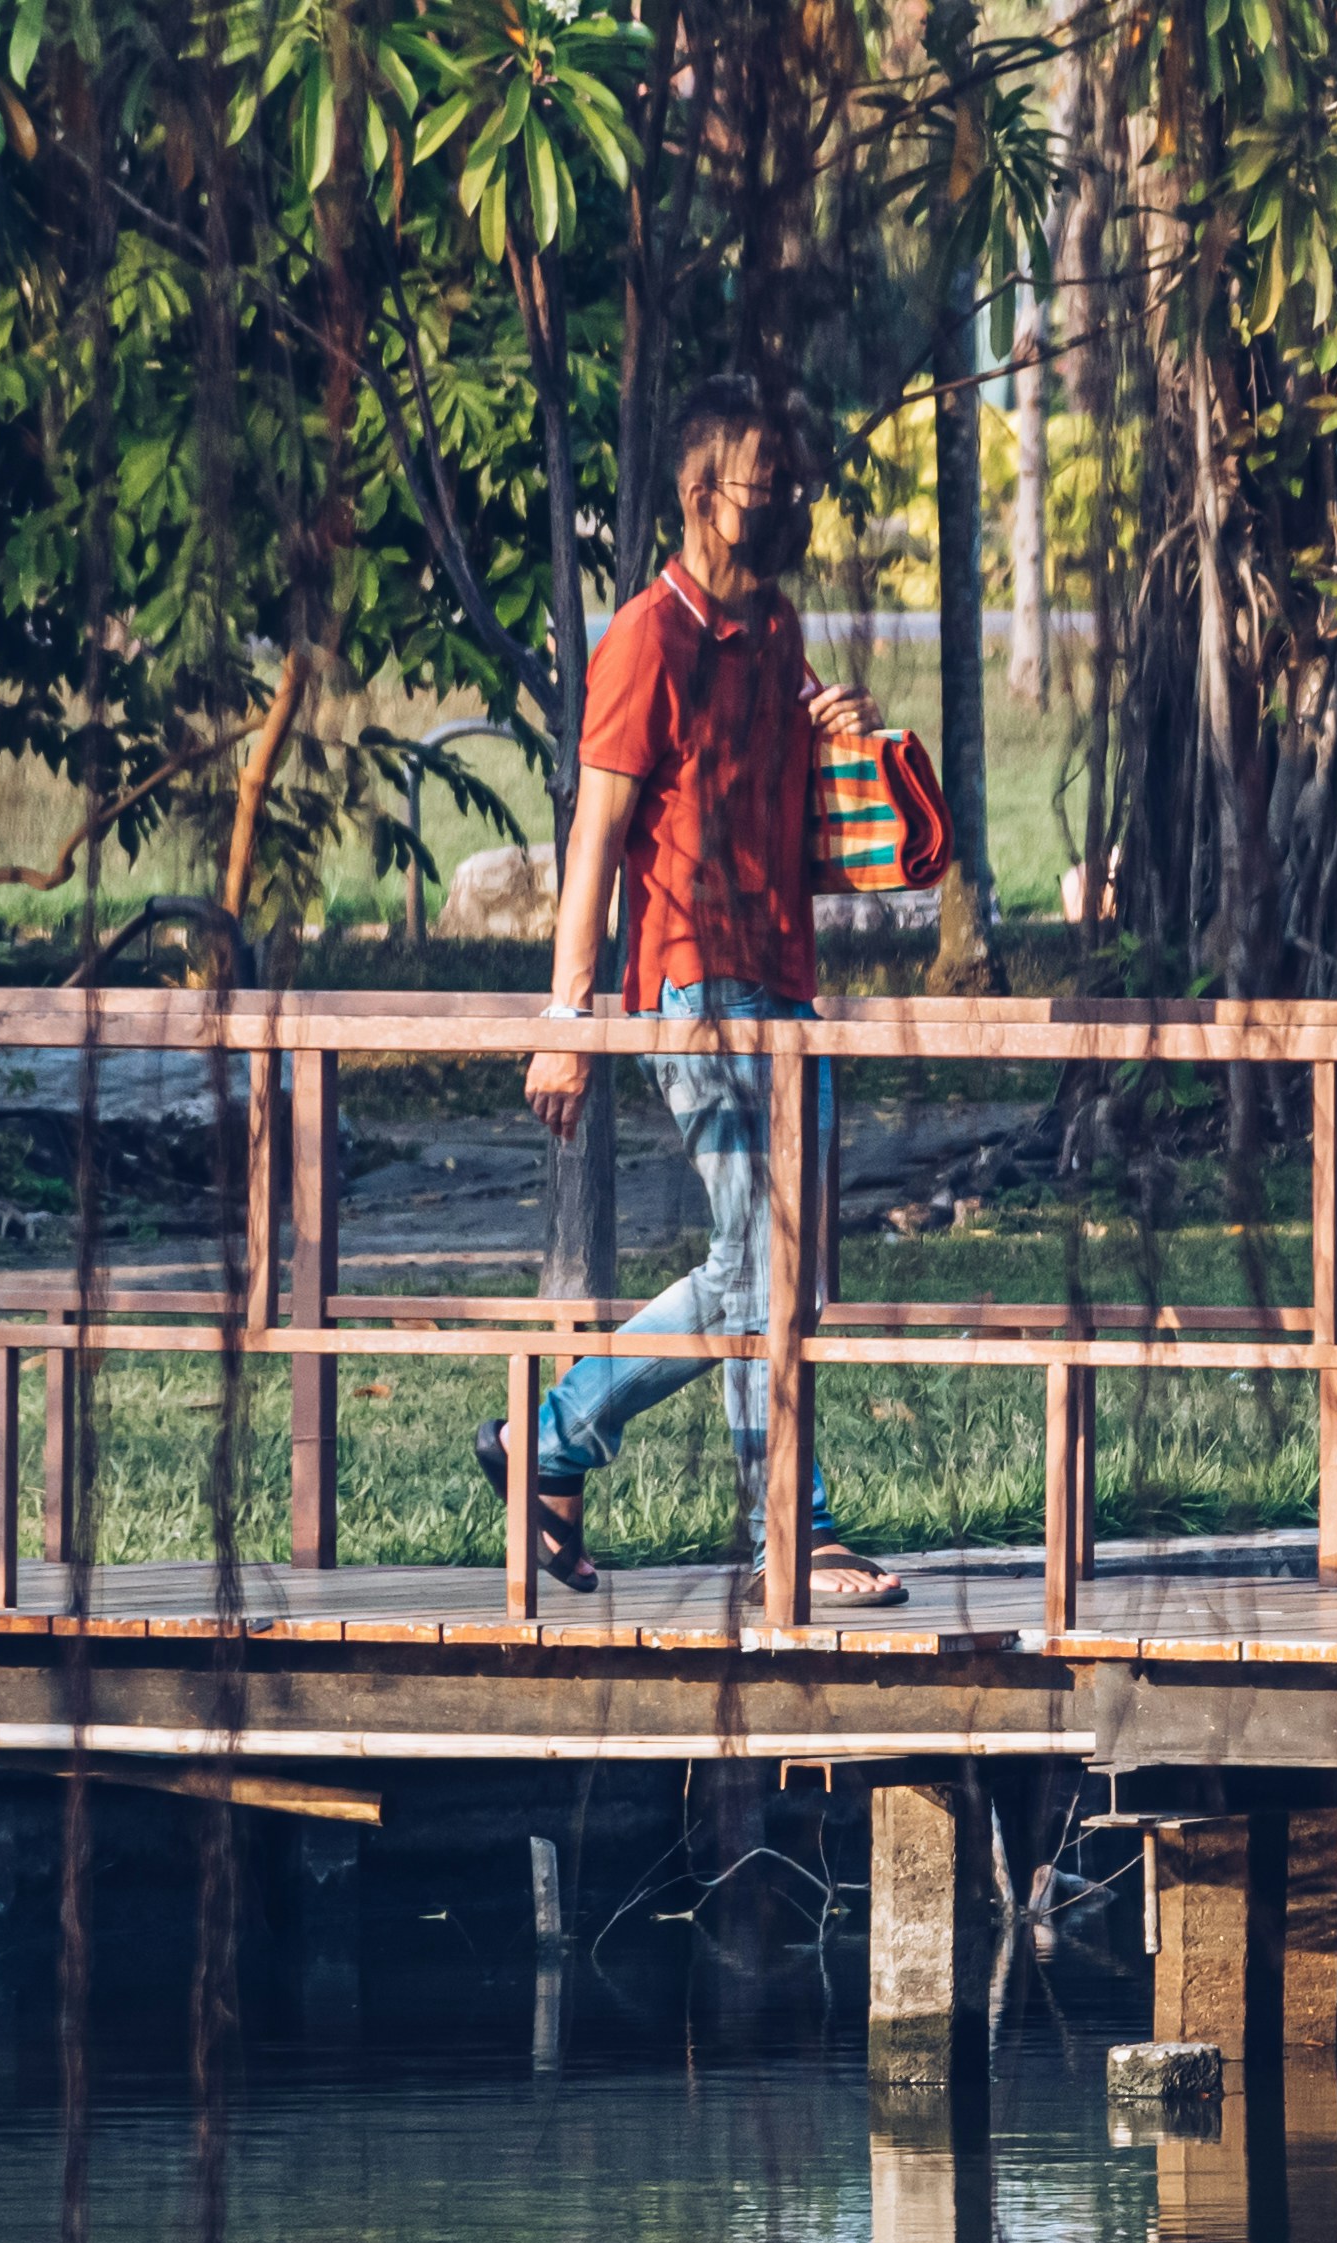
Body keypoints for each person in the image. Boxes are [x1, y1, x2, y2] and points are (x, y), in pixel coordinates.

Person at [483, 375, 908, 1606]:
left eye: (792, 488)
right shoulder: (644, 638)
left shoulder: (771, 629)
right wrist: (566, 1024)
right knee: (763, 1261)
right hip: (692, 983)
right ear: (699, 497)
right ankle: (793, 1529)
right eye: (763, 489)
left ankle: (548, 1440)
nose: (784, 507)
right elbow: (596, 838)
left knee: (791, 1268)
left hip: (788, 981)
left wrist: (838, 722)